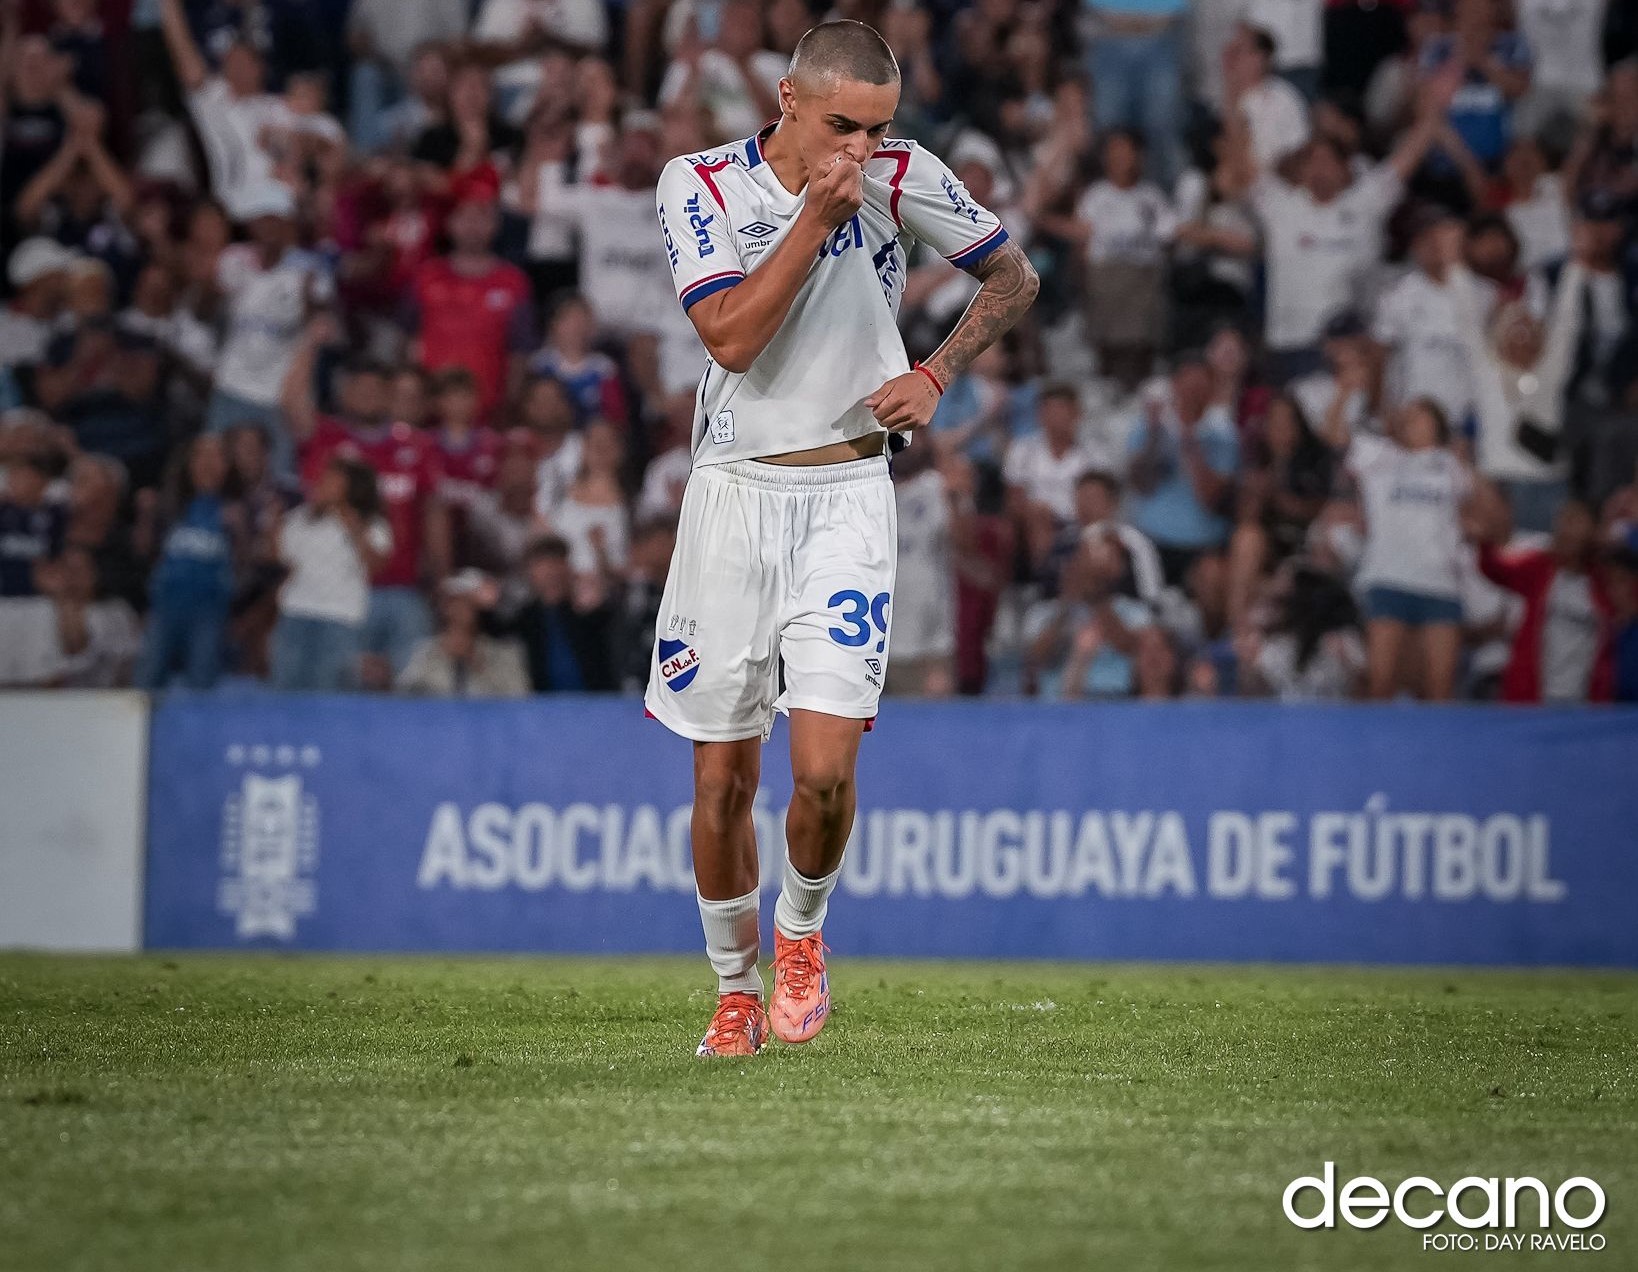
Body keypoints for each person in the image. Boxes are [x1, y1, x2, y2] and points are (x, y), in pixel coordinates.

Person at [647, 20, 1036, 1057]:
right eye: (841, 127)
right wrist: (816, 219)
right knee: (722, 781)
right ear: (787, 98)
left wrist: (936, 372)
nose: (862, 149)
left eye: (877, 129)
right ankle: (734, 991)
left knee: (822, 771)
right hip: (733, 498)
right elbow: (730, 336)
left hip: (849, 499)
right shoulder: (701, 185)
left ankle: (801, 935)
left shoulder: (902, 176)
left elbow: (1015, 278)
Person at [1326, 396, 1472, 701]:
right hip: (1388, 577)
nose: (1411, 420)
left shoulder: (1450, 464)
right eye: (1407, 415)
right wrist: (1347, 389)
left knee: (1440, 691)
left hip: (1440, 582)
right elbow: (1334, 436)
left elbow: (1474, 506)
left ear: (1437, 425)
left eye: (1420, 415)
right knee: (1381, 683)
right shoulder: (1378, 455)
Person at [1469, 487, 1615, 703]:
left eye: (1574, 520)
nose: (1565, 528)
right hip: (1534, 698)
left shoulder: (1607, 581)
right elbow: (1495, 569)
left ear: (1595, 529)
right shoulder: (1540, 568)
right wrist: (1486, 540)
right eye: (1562, 519)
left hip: (1586, 703)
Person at [270, 455, 391, 692]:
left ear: (350, 487)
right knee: (285, 691)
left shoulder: (372, 523)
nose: (322, 483)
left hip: (339, 618)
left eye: (331, 480)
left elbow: (377, 565)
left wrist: (354, 528)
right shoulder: (302, 517)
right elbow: (279, 557)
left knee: (327, 694)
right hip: (296, 613)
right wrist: (273, 524)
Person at [135, 434, 237, 690]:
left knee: (202, 683)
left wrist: (240, 530)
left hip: (209, 612)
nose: (208, 464)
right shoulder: (168, 506)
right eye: (201, 455)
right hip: (164, 607)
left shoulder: (234, 511)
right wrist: (145, 516)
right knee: (147, 680)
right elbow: (144, 551)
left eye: (216, 456)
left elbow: (244, 567)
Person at [396, 571, 531, 698]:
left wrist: (477, 665)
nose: (460, 609)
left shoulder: (503, 654)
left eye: (468, 603)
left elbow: (520, 698)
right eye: (453, 602)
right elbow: (404, 694)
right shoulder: (428, 652)